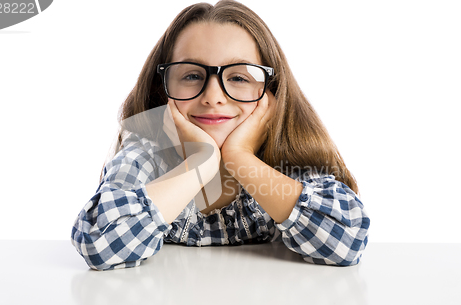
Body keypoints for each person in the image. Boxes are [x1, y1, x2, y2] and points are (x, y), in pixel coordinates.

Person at [71, 0, 370, 271]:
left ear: (271, 92)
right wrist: (201, 163)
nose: (213, 97)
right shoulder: (146, 158)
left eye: (239, 77)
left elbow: (348, 240)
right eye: (191, 76)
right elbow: (98, 243)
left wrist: (240, 157)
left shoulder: (287, 161)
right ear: (162, 90)